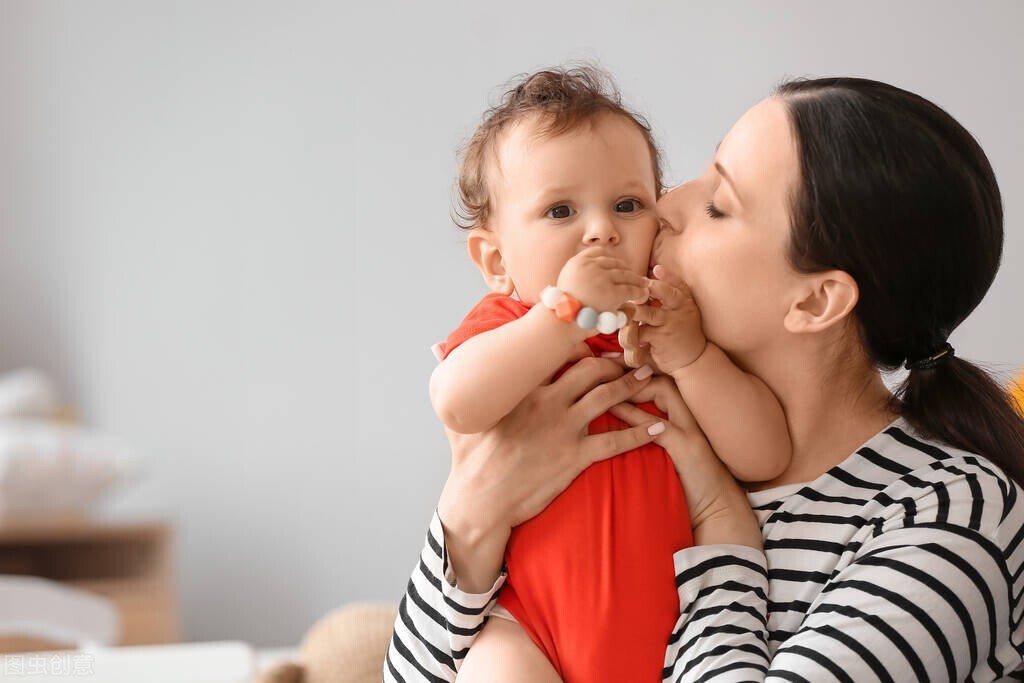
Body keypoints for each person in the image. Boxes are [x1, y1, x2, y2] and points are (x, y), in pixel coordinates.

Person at [384, 75, 1024, 681]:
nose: (662, 207)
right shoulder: (607, 408)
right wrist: (472, 517)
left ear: (814, 301)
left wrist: (722, 530)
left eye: (718, 205)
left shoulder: (950, 515)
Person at [428, 67, 791, 682]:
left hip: (674, 639)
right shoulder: (511, 326)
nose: (602, 229)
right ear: (496, 260)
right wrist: (563, 317)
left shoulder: (664, 327)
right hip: (530, 630)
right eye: (560, 210)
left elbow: (765, 455)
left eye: (628, 205)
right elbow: (457, 402)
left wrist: (692, 357)